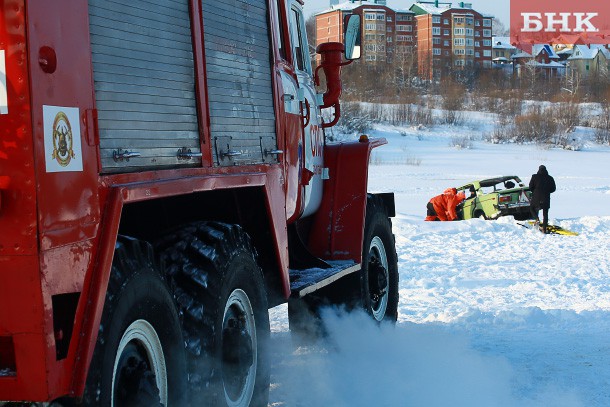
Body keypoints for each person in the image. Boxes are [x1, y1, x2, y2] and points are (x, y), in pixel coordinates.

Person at [529, 165, 556, 233]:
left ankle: (536, 219)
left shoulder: (534, 176)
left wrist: (535, 191)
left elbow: (530, 187)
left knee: (532, 208)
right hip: (546, 197)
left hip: (536, 197)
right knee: (545, 213)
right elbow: (553, 189)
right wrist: (547, 191)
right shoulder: (550, 178)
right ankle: (544, 228)